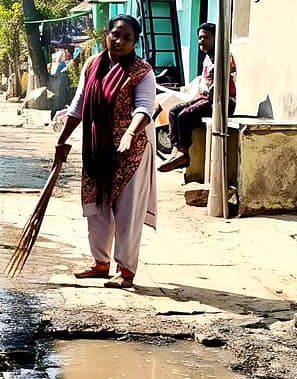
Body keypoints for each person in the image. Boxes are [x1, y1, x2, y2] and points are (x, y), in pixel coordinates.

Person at [54, 15, 157, 289]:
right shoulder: (92, 66)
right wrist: (62, 141)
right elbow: (77, 106)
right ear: (106, 35)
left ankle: (126, 271)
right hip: (96, 148)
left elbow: (145, 108)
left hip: (130, 152)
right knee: (96, 207)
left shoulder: (142, 71)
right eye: (116, 34)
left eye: (127, 37)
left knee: (127, 212)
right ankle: (100, 263)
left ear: (135, 42)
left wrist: (130, 133)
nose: (120, 41)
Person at [158, 22, 236, 172]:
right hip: (208, 99)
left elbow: (220, 86)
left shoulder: (224, 56)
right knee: (174, 112)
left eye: (206, 37)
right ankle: (176, 151)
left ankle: (183, 153)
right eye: (200, 38)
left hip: (223, 102)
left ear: (216, 38)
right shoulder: (207, 58)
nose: (201, 41)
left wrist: (201, 100)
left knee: (185, 116)